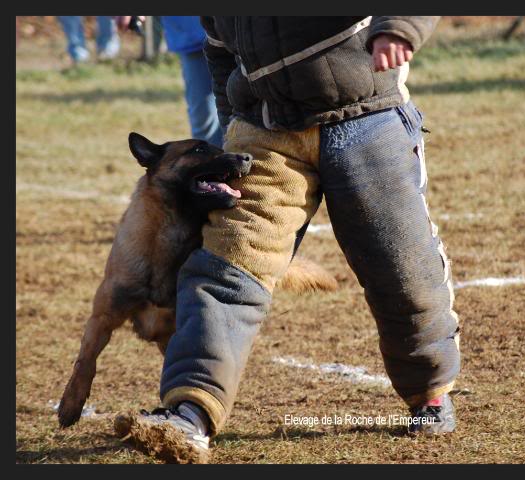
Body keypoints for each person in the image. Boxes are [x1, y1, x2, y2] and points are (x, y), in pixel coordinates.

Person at [116, 16, 460, 463]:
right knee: (224, 266)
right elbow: (220, 56)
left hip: (365, 113)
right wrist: (230, 135)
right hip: (266, 131)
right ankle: (189, 412)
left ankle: (429, 392)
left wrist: (399, 28)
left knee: (401, 266)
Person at [116, 16, 223, 147]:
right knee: (205, 122)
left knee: (247, 115)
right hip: (192, 32)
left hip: (244, 33)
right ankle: (213, 166)